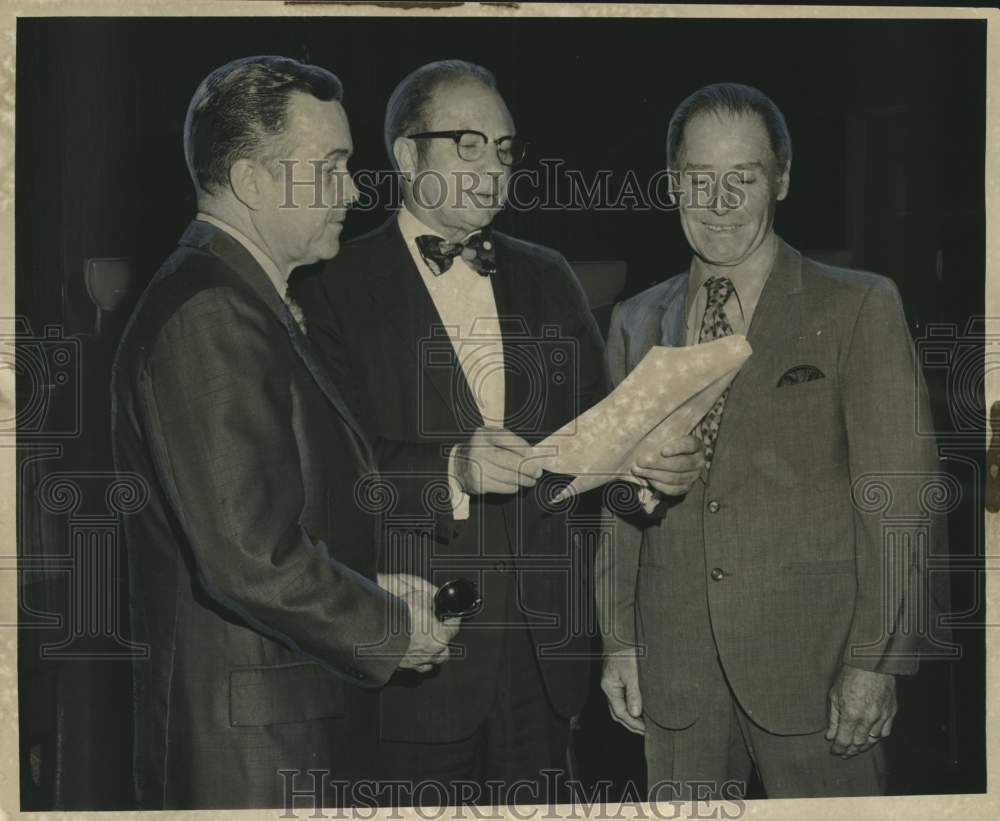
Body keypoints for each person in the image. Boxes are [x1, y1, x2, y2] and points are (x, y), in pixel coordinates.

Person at [295, 60, 701, 800]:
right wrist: (451, 466)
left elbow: (594, 444)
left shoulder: (549, 276)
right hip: (413, 657)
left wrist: (646, 478)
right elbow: (325, 474)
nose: (494, 168)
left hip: (545, 661)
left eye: (506, 149)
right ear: (409, 154)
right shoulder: (330, 286)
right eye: (469, 144)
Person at [112, 55, 457, 810]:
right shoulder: (211, 312)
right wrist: (388, 625)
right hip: (253, 756)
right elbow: (248, 559)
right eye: (330, 167)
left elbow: (279, 517)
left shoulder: (237, 294)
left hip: (278, 733)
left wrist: (369, 582)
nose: (355, 190)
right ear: (252, 180)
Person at [598, 82, 939, 799]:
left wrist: (876, 662)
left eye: (742, 178)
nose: (720, 202)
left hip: (817, 675)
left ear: (780, 180)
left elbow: (901, 501)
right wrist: (620, 641)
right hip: (675, 674)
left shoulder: (857, 305)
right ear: (672, 185)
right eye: (700, 179)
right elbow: (617, 501)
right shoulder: (635, 320)